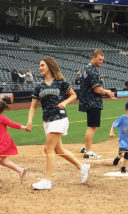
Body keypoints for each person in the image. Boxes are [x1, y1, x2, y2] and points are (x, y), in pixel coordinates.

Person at [26, 56, 90, 190]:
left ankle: (47, 181)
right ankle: (82, 167)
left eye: (42, 65)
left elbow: (73, 95)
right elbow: (32, 106)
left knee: (48, 149)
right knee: (59, 150)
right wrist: (30, 121)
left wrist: (64, 102)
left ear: (49, 66)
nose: (40, 68)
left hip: (59, 118)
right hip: (47, 120)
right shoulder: (39, 87)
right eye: (39, 65)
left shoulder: (61, 82)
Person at [79, 50, 116, 159]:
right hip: (92, 101)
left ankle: (86, 147)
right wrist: (108, 92)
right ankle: (88, 151)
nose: (101, 62)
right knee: (92, 126)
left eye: (102, 60)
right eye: (99, 59)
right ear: (93, 57)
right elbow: (97, 89)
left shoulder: (86, 68)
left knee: (92, 125)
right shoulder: (93, 71)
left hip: (86, 100)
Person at [0, 100, 28, 184]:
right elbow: (13, 124)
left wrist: (25, 128)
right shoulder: (2, 117)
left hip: (2, 142)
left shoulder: (2, 118)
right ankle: (20, 170)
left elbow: (13, 124)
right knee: (2, 161)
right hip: (3, 141)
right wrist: (25, 128)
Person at [109, 101, 128, 173]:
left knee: (127, 157)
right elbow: (114, 125)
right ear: (126, 110)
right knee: (122, 153)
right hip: (123, 141)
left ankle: (123, 167)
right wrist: (111, 132)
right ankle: (118, 157)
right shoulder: (122, 118)